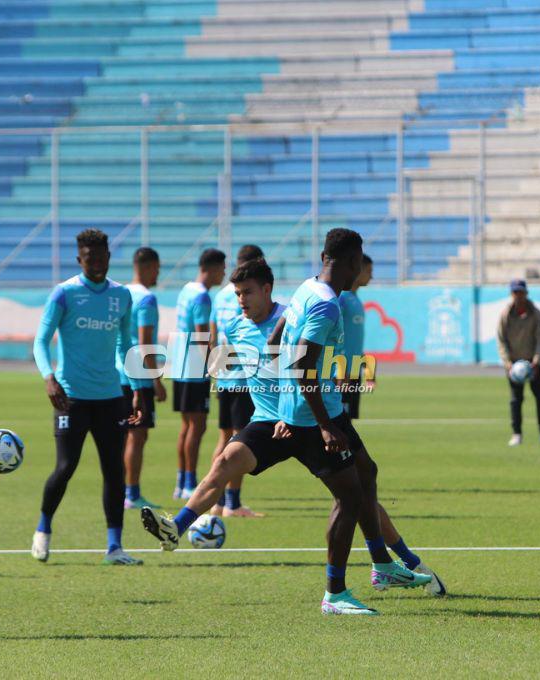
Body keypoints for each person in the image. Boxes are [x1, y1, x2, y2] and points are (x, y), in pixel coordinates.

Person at [140, 255, 442, 615]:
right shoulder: (235, 327)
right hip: (268, 422)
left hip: (305, 420)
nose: (241, 300)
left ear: (267, 289)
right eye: (237, 294)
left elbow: (305, 370)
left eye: (248, 292)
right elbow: (233, 367)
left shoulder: (294, 316)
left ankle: (402, 561)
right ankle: (175, 528)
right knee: (224, 462)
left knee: (358, 495)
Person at [32, 229, 144, 566]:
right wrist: (49, 378)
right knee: (66, 467)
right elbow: (40, 341)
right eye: (88, 258)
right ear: (79, 259)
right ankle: (43, 529)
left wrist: (136, 387)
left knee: (114, 471)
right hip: (71, 398)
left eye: (101, 257)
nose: (96, 263)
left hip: (110, 397)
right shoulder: (64, 294)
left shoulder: (121, 295)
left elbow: (126, 344)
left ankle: (115, 547)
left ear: (108, 257)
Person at [209, 244, 265, 518]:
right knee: (240, 442)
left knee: (224, 438)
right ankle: (232, 503)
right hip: (244, 376)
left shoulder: (222, 295)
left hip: (224, 375)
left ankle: (217, 500)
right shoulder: (250, 294)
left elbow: (212, 332)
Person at [172, 248, 226, 500]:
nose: (223, 274)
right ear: (212, 268)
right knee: (198, 426)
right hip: (194, 368)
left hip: (180, 365)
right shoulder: (202, 297)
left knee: (187, 426)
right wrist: (213, 366)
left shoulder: (186, 290)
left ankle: (181, 481)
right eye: (222, 269)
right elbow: (203, 336)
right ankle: (190, 483)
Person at [120, 247, 166, 510]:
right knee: (138, 436)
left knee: (125, 436)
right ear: (148, 267)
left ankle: (121, 491)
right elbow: (145, 341)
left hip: (118, 373)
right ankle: (132, 494)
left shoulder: (122, 293)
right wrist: (156, 379)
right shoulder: (147, 299)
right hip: (138, 375)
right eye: (157, 269)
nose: (158, 274)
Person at [496, 278, 540, 447]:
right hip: (513, 364)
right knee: (516, 399)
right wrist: (507, 362)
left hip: (532, 363)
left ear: (526, 293)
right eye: (515, 292)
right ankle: (517, 434)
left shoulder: (535, 313)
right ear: (511, 294)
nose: (518, 295)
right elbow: (501, 340)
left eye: (521, 292)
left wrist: (537, 359)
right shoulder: (505, 314)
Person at [338, 254, 373, 420]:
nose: (371, 276)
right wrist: (339, 370)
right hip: (342, 372)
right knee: (338, 422)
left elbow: (353, 339)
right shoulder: (342, 298)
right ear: (357, 270)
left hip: (354, 370)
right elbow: (332, 334)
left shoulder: (355, 299)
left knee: (348, 421)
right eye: (368, 271)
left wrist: (366, 367)